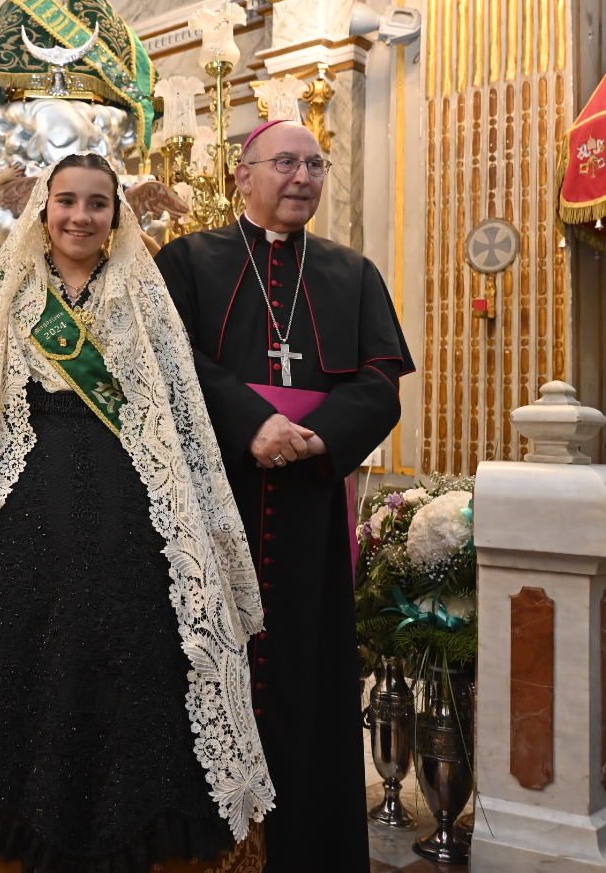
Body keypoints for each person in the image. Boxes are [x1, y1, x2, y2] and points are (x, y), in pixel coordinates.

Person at [0, 152, 274, 872]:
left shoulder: (142, 294)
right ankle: (25, 815)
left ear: (115, 215)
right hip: (24, 505)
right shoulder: (8, 290)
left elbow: (175, 404)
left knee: (123, 645)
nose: (80, 216)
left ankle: (122, 814)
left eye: (97, 203)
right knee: (26, 648)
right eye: (67, 201)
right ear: (44, 209)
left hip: (126, 505)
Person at [154, 120, 414, 872]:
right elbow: (167, 360)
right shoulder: (188, 261)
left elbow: (380, 382)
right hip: (215, 499)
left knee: (308, 678)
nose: (303, 177)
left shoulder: (352, 273)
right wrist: (252, 424)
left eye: (316, 164)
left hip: (310, 505)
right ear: (243, 175)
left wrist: (318, 437)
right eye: (286, 163)